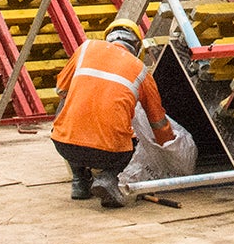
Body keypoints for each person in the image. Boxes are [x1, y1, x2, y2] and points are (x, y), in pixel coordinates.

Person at [51, 18, 173, 208]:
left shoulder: (86, 48)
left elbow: (60, 89)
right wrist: (168, 145)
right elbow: (157, 120)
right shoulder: (141, 70)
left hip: (65, 145)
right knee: (131, 140)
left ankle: (80, 182)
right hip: (109, 153)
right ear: (136, 46)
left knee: (65, 105)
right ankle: (107, 179)